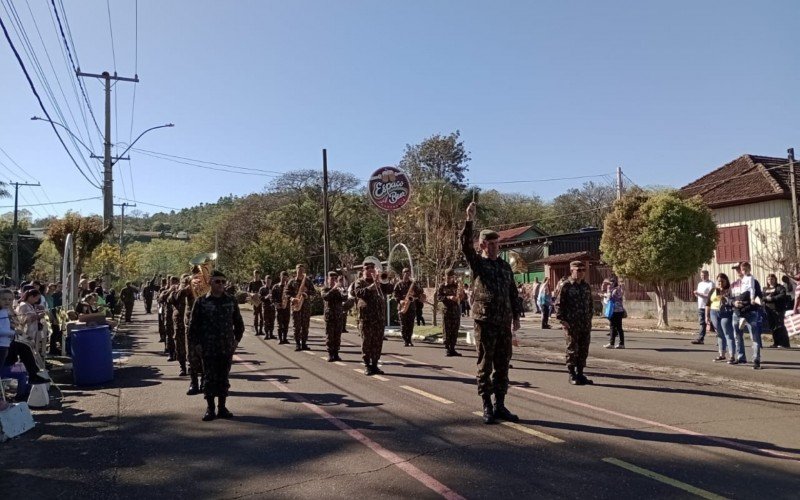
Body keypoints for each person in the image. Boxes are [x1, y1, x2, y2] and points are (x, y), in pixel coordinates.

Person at [461, 201, 522, 424]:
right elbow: (465, 246)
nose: (496, 246)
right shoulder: (478, 263)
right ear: (483, 245)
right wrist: (469, 220)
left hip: (503, 323)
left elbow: (512, 293)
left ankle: (500, 405)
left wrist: (516, 317)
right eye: (492, 243)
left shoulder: (505, 267)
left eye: (498, 243)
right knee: (485, 364)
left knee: (503, 364)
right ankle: (486, 405)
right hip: (485, 321)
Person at [187, 270, 244, 421]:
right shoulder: (201, 302)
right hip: (208, 347)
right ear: (210, 282)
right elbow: (193, 326)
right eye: (217, 281)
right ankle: (210, 409)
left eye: (223, 282)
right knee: (209, 378)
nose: (221, 285)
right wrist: (197, 344)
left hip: (226, 347)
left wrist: (236, 341)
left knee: (223, 378)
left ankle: (222, 407)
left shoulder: (231, 300)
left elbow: (239, 324)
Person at [353, 259, 395, 375]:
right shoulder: (359, 282)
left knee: (377, 342)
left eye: (371, 268)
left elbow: (390, 290)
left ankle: (375, 364)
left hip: (379, 317)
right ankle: (367, 365)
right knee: (367, 342)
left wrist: (384, 280)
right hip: (366, 318)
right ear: (363, 270)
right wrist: (370, 287)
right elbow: (358, 293)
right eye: (367, 269)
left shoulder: (379, 281)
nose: (369, 270)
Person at [556, 261, 594, 386]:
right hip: (571, 325)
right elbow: (558, 305)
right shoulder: (566, 286)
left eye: (583, 270)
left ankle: (580, 373)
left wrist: (589, 319)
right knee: (572, 349)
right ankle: (572, 374)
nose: (581, 272)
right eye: (578, 270)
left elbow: (590, 305)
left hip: (584, 324)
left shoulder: (585, 286)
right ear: (572, 270)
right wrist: (563, 321)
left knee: (584, 349)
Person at [730, 261, 762, 369]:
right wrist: (734, 303)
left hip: (750, 312)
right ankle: (741, 357)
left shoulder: (753, 281)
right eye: (737, 269)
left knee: (754, 336)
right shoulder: (734, 284)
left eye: (740, 269)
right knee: (737, 335)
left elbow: (758, 296)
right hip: (737, 312)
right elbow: (730, 298)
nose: (738, 271)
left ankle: (756, 359)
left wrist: (748, 303)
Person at [284, 264, 318, 351]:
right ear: (296, 270)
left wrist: (307, 294)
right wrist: (292, 298)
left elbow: (314, 292)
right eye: (299, 270)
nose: (300, 271)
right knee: (296, 326)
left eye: (302, 270)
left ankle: (304, 343)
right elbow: (286, 293)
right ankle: (297, 344)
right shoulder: (291, 282)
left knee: (305, 326)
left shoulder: (308, 281)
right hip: (296, 306)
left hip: (305, 306)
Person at [706, 273, 735, 363]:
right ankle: (721, 354)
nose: (720, 283)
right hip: (714, 312)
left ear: (726, 281)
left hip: (726, 313)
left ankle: (732, 356)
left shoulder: (730, 290)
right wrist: (707, 316)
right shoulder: (713, 290)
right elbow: (708, 304)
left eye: (722, 281)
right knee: (719, 334)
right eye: (719, 281)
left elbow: (733, 301)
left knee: (728, 334)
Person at [394, 268, 424, 346]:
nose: (406, 274)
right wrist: (400, 300)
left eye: (408, 273)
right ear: (402, 274)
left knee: (410, 324)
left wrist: (416, 290)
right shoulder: (398, 284)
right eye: (405, 273)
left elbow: (420, 292)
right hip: (402, 306)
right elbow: (395, 295)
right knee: (403, 325)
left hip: (411, 307)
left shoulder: (413, 284)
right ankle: (405, 340)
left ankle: (409, 339)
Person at [436, 269, 462, 357]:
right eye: (448, 277)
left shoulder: (456, 286)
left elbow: (463, 297)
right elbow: (439, 297)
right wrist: (448, 297)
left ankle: (453, 348)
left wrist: (461, 295)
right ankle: (447, 348)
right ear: (445, 277)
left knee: (455, 330)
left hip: (456, 311)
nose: (449, 279)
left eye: (451, 277)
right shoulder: (442, 286)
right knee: (447, 329)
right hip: (447, 310)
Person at [172, 274, 193, 376]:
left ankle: (191, 366)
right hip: (179, 321)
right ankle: (182, 367)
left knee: (191, 346)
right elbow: (173, 298)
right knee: (180, 345)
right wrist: (185, 289)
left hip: (190, 321)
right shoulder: (178, 289)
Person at [762, 273, 791, 348]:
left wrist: (772, 298)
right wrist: (766, 298)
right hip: (769, 310)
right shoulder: (765, 289)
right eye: (769, 279)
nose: (770, 281)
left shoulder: (780, 287)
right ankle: (776, 343)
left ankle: (785, 343)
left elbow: (782, 295)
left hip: (778, 309)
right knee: (773, 327)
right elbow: (762, 297)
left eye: (772, 279)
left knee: (780, 326)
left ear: (775, 279)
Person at [321, 271, 345, 362]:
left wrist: (342, 289)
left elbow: (345, 298)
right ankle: (330, 353)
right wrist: (333, 289)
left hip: (338, 316)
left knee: (337, 335)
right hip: (329, 316)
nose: (334, 280)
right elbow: (325, 297)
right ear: (328, 279)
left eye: (335, 279)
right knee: (330, 336)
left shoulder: (339, 289)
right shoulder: (325, 289)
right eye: (331, 279)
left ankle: (336, 353)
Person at [602, 276, 626, 349]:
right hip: (619, 311)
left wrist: (604, 294)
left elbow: (610, 297)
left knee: (613, 327)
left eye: (610, 283)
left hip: (614, 311)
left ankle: (612, 343)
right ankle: (621, 344)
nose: (608, 285)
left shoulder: (615, 290)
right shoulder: (617, 289)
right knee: (618, 327)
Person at [691, 270, 714, 344]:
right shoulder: (700, 284)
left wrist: (699, 294)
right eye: (701, 275)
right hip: (701, 306)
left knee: (713, 323)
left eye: (704, 275)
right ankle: (701, 339)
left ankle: (721, 338)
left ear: (708, 275)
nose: (703, 277)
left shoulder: (711, 284)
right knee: (702, 323)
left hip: (709, 306)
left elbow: (710, 296)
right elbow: (699, 295)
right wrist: (696, 294)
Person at [272, 272, 291, 344]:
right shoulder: (275, 286)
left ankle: (285, 338)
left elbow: (292, 296)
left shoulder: (289, 287)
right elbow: (272, 298)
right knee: (280, 324)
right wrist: (276, 304)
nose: (284, 279)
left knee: (286, 324)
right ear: (280, 277)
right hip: (279, 308)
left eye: (285, 277)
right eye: (282, 277)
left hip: (286, 308)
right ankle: (280, 339)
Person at [259, 275, 276, 340]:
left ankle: (271, 334)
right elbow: (260, 298)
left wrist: (273, 298)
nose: (268, 282)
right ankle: (266, 334)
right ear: (265, 281)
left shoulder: (273, 288)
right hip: (265, 307)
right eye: (267, 281)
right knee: (266, 321)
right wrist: (266, 297)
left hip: (272, 307)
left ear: (271, 281)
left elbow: (276, 297)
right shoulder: (262, 289)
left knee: (272, 321)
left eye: (270, 281)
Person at [247, 270, 263, 336]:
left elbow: (264, 290)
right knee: (256, 316)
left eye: (257, 275)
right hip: (255, 301)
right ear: (253, 275)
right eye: (255, 275)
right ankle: (256, 331)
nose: (256, 276)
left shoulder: (261, 282)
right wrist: (252, 294)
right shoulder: (251, 283)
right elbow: (248, 291)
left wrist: (260, 294)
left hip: (261, 300)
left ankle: (261, 330)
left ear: (259, 275)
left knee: (262, 316)